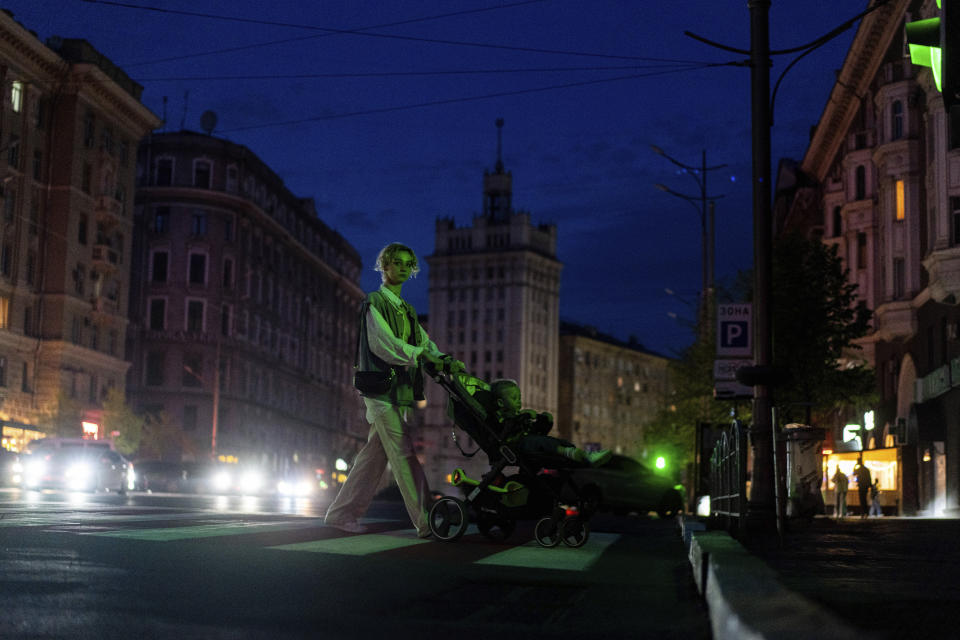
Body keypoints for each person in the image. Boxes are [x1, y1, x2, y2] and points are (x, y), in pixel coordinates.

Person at [325, 243, 463, 538]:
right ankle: (427, 520)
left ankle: (340, 513)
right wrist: (423, 356)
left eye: (407, 264)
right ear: (384, 266)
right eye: (396, 262)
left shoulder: (407, 311)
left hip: (397, 393)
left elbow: (424, 343)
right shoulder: (374, 302)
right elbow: (382, 344)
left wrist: (442, 358)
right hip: (378, 390)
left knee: (374, 455)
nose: (401, 268)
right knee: (403, 451)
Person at [489, 379, 612, 467]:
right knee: (536, 441)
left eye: (519, 398)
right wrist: (522, 417)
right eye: (514, 399)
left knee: (553, 441)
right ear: (500, 403)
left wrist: (544, 422)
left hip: (526, 446)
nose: (519, 402)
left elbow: (533, 431)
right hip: (512, 449)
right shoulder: (497, 419)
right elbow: (505, 432)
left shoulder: (516, 416)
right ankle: (579, 455)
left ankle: (582, 455)